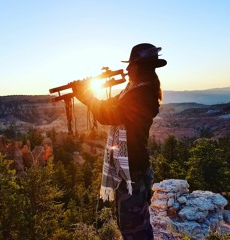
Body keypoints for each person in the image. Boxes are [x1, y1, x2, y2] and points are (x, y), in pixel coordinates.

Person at [72, 43, 167, 240]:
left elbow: (108, 114)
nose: (126, 69)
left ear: (140, 66)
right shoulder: (136, 90)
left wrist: (86, 95)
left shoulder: (140, 95)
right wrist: (88, 95)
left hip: (132, 170)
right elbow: (111, 104)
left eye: (130, 64)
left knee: (133, 229)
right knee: (137, 223)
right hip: (133, 167)